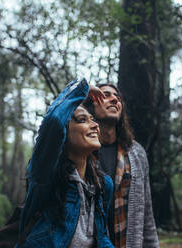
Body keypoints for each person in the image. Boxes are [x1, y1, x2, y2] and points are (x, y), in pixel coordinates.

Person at [16, 79, 115, 248]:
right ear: (64, 134)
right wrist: (81, 89)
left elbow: (100, 236)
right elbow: (54, 121)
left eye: (93, 119)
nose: (94, 125)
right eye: (83, 120)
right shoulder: (46, 175)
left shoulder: (103, 185)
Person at [86, 84, 159, 248]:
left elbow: (146, 213)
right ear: (91, 105)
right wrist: (80, 90)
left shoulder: (136, 153)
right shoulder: (81, 150)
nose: (114, 99)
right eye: (105, 95)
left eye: (117, 98)